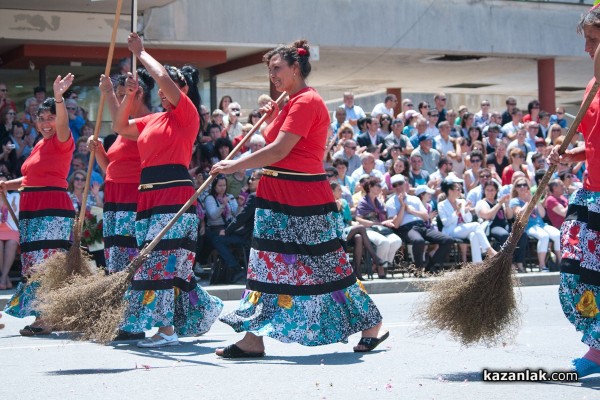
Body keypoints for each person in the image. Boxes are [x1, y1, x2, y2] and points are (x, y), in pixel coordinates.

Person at [211, 39, 387, 357]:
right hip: (276, 193)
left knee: (325, 264)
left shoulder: (306, 101)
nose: (272, 75)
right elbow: (271, 141)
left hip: (304, 195)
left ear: (295, 68)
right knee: (264, 265)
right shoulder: (290, 102)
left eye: (277, 68)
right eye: (270, 70)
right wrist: (271, 116)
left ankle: (371, 321)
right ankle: (252, 338)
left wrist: (234, 165)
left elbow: (279, 150)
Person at [112, 33, 223, 348]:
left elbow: (162, 76)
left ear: (182, 89)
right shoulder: (151, 120)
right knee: (155, 263)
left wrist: (141, 52)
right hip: (147, 196)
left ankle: (166, 331)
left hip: (172, 195)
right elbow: (119, 127)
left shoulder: (186, 113)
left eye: (168, 87)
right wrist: (128, 96)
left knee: (158, 261)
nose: (161, 92)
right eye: (159, 90)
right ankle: (198, 313)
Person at [1, 74, 76, 336]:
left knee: (46, 264)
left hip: (52, 209)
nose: (46, 123)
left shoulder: (62, 141)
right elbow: (31, 178)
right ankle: (47, 314)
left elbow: (64, 124)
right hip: (32, 209)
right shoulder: (39, 145)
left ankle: (46, 317)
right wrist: (7, 185)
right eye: (41, 119)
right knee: (33, 264)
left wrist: (58, 97)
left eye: (50, 118)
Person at [552, 5, 600, 377]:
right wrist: (571, 154)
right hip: (589, 193)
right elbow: (593, 144)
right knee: (572, 276)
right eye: (586, 42)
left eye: (595, 42)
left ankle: (597, 350)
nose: (588, 50)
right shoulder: (591, 87)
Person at [387, 175, 453, 274]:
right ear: (392, 187)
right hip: (406, 228)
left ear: (405, 184)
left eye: (400, 183)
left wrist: (410, 210)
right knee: (418, 241)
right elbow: (396, 224)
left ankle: (429, 267)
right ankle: (418, 270)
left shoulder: (414, 199)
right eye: (395, 185)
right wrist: (402, 207)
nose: (398, 187)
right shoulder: (391, 202)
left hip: (422, 226)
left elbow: (426, 216)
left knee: (448, 240)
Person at [438, 177, 496, 263]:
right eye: (457, 189)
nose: (460, 191)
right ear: (450, 191)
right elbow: (446, 223)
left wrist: (466, 210)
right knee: (476, 225)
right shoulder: (442, 205)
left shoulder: (461, 201)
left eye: (460, 189)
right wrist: (457, 212)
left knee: (474, 235)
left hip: (462, 228)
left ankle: (477, 264)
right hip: (450, 230)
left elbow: (468, 220)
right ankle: (489, 249)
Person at [508, 176, 560, 272]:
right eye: (519, 185)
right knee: (544, 236)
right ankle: (542, 265)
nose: (523, 187)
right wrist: (528, 202)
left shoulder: (531, 198)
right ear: (515, 188)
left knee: (558, 234)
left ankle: (561, 263)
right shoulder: (514, 201)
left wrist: (535, 200)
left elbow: (542, 214)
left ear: (528, 187)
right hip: (528, 227)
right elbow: (519, 214)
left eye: (525, 185)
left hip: (542, 225)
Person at [475, 180, 527, 272]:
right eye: (488, 190)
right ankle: (509, 263)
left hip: (504, 224)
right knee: (504, 236)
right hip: (492, 226)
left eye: (492, 190)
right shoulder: (481, 203)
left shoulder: (500, 201)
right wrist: (499, 204)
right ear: (484, 191)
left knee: (521, 234)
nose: (490, 192)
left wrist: (506, 204)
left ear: (496, 191)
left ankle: (520, 262)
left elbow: (509, 216)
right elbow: (488, 215)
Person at [355, 177, 403, 278]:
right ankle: (381, 267)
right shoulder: (363, 202)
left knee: (396, 241)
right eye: (378, 185)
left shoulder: (379, 202)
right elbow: (359, 219)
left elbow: (383, 219)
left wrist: (388, 221)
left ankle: (381, 265)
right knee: (384, 242)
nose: (380, 188)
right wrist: (376, 224)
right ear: (370, 187)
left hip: (381, 229)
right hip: (368, 229)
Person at [0, 173, 18, 290]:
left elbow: (15, 214)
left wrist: (5, 197)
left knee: (11, 243)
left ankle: (3, 278)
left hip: (12, 228)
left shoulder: (15, 195)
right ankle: (5, 278)